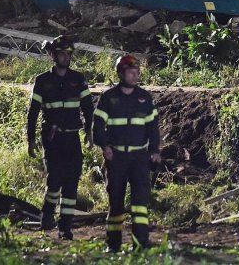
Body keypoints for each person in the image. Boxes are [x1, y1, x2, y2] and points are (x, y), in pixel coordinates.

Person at [26, 35, 94, 240]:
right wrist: (30, 139)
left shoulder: (78, 79)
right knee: (54, 180)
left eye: (68, 54)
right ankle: (47, 216)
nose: (66, 57)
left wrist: (89, 132)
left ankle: (65, 227)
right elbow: (33, 112)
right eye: (62, 54)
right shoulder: (43, 80)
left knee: (72, 183)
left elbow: (88, 108)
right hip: (52, 139)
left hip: (72, 138)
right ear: (54, 56)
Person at [93, 54, 161, 253]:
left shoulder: (145, 98)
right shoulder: (108, 98)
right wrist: (104, 147)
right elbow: (97, 126)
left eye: (137, 72)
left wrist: (155, 151)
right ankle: (113, 245)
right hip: (117, 158)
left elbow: (153, 128)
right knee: (116, 203)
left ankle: (141, 243)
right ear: (121, 73)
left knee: (140, 203)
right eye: (131, 72)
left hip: (139, 158)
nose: (135, 75)